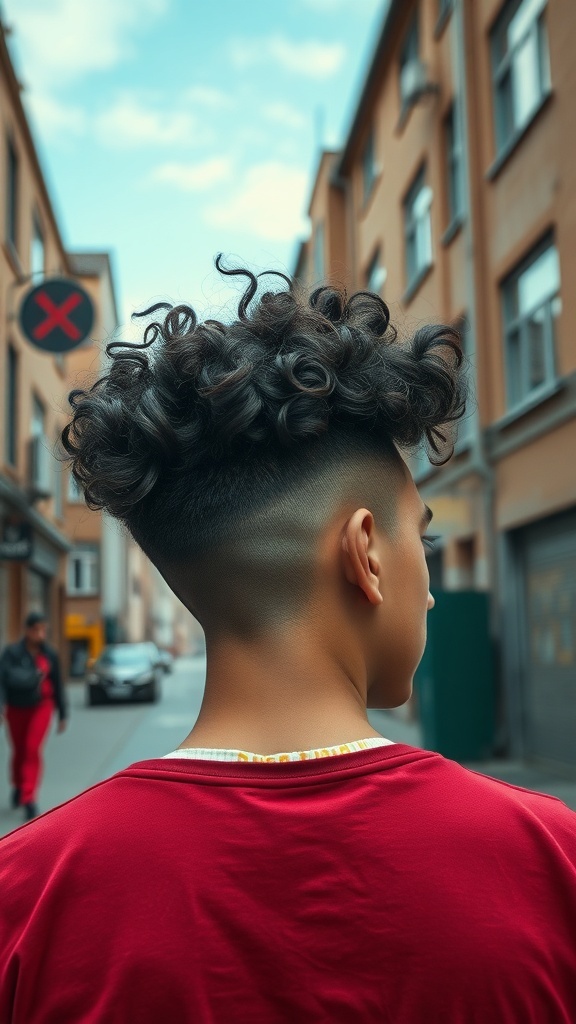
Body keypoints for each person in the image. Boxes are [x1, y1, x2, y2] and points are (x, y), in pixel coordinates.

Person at [0, 259, 575, 1023]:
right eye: (421, 544)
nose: (431, 589)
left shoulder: (27, 897)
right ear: (366, 553)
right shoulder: (550, 865)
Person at [0, 611, 67, 822]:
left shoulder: (50, 654)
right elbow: (1, 681)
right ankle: (18, 785)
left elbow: (57, 684)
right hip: (16, 708)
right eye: (37, 629)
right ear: (27, 630)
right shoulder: (11, 653)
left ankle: (29, 798)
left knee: (31, 749)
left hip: (42, 706)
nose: (41, 634)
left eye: (43, 629)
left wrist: (63, 713)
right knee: (19, 750)